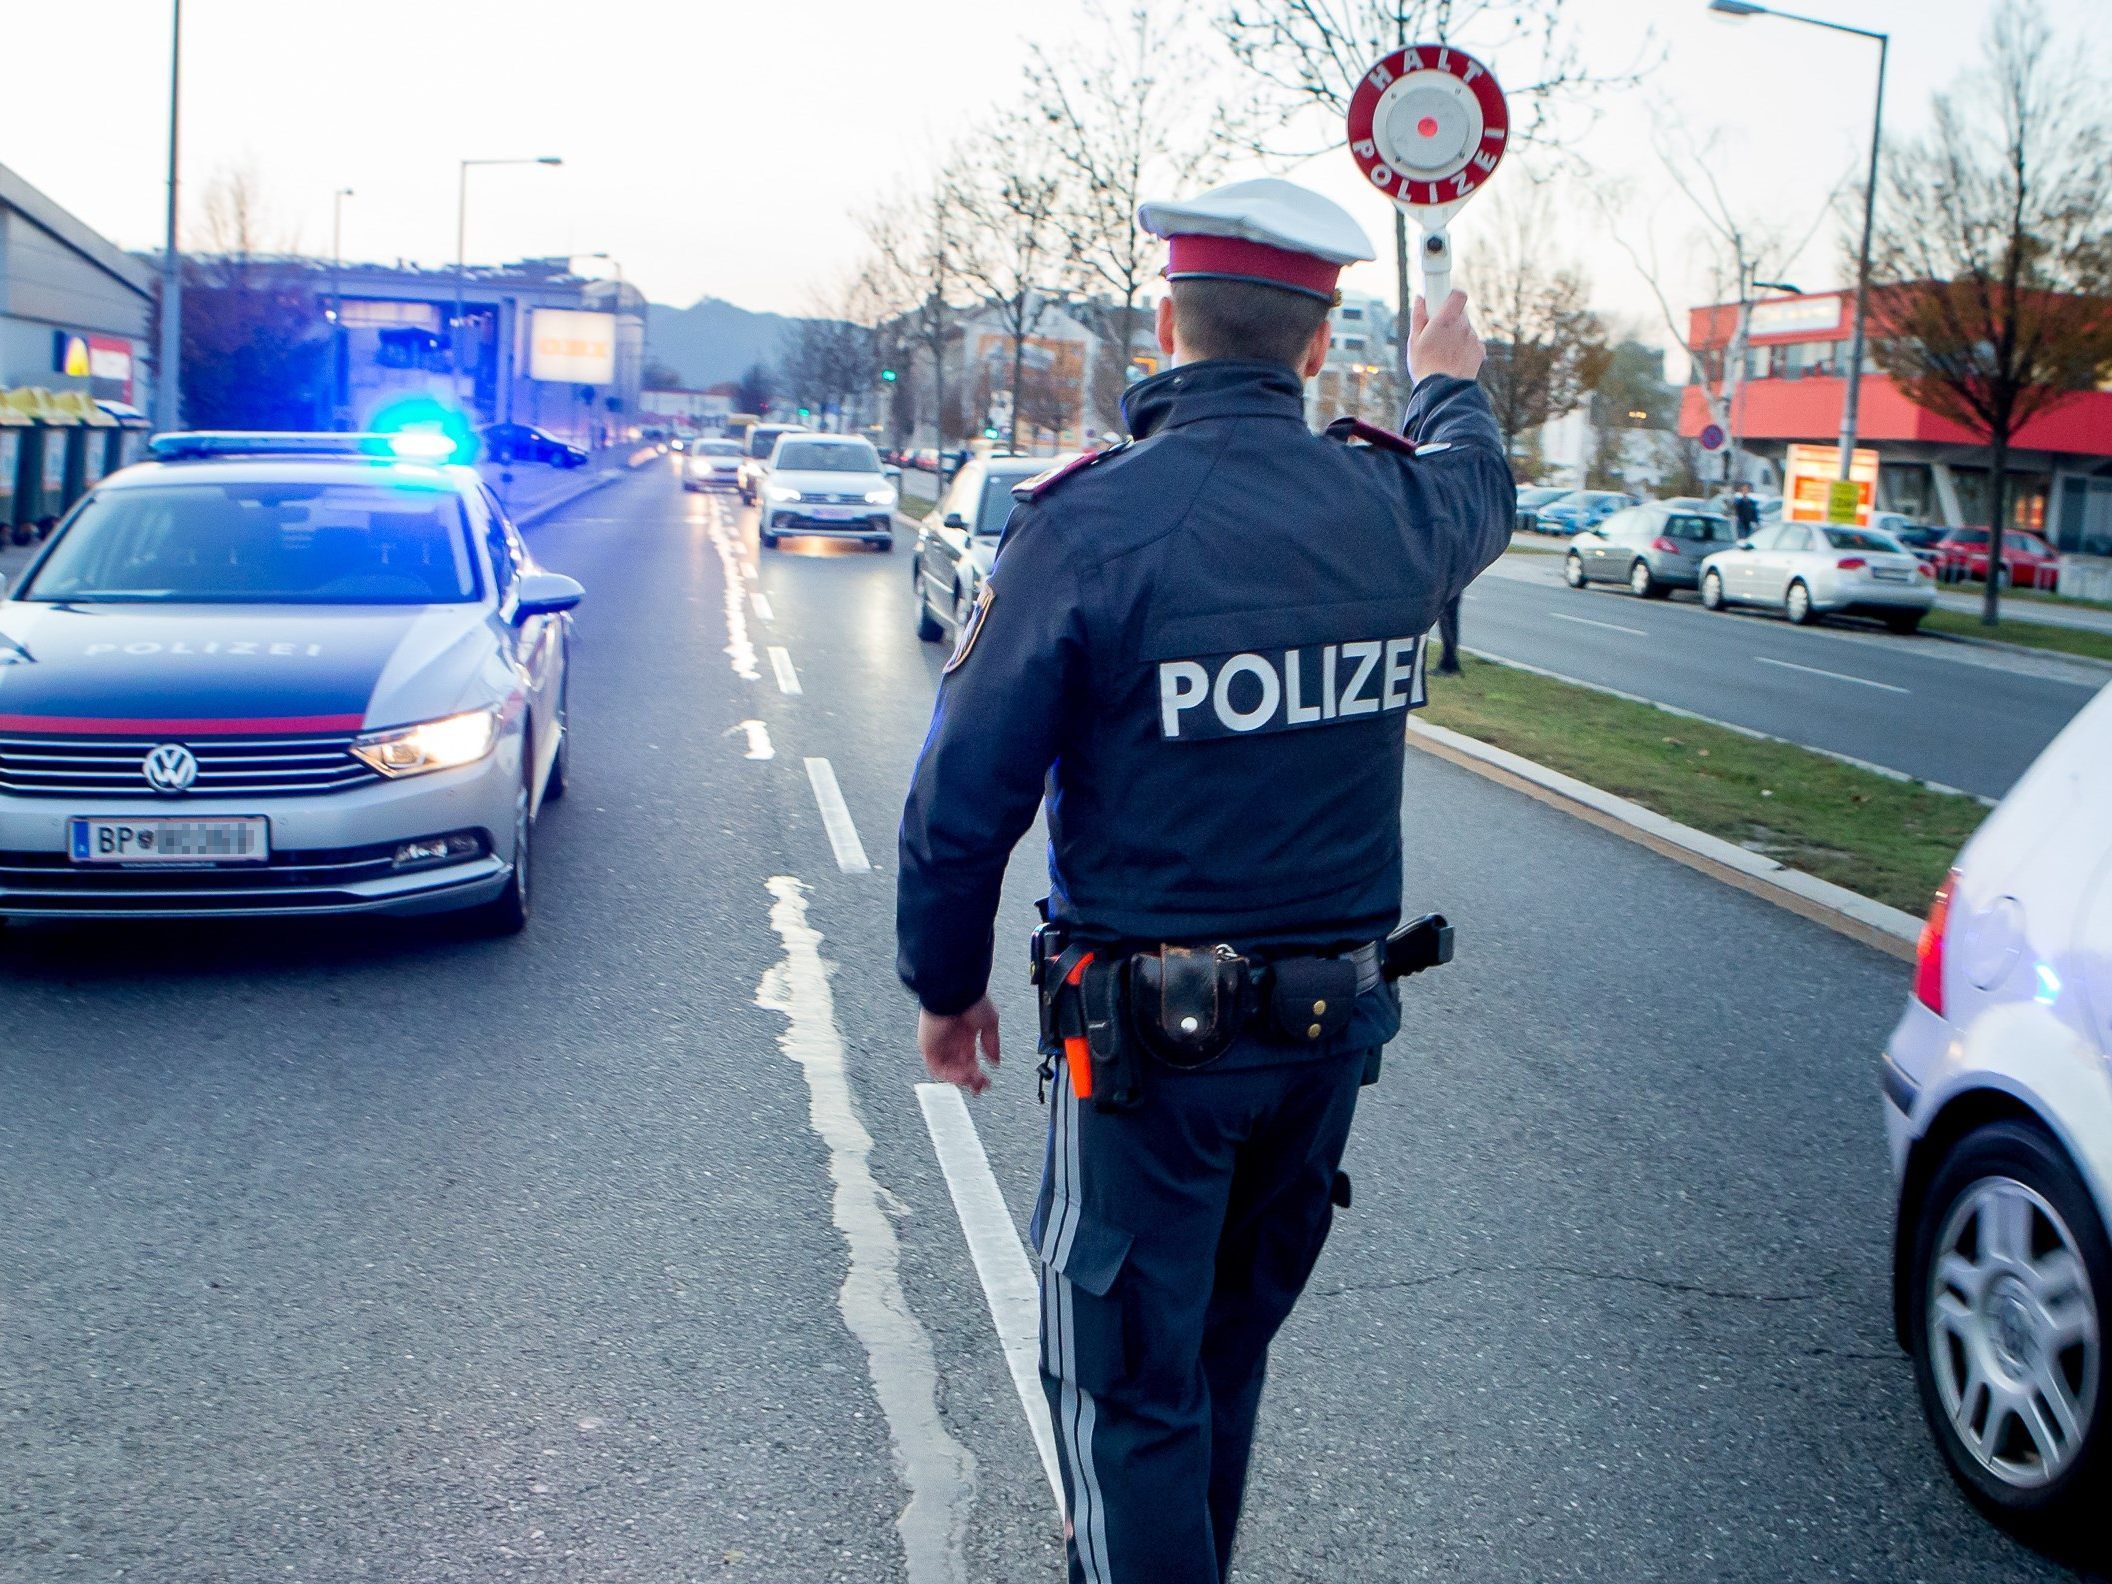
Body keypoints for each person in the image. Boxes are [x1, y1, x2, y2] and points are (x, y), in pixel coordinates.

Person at [896, 176, 1514, 1584]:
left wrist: (946, 985)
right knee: (1220, 1366)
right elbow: (1481, 485)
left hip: (1151, 1069)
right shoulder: (1392, 510)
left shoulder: (1089, 525)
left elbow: (963, 791)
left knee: (1130, 1396)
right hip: (1324, 1049)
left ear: (1167, 324)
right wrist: (1446, 378)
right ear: (1318, 343)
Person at [1435, 590, 1464, 675]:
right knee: (1448, 619)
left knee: (1447, 619)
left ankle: (1449, 664)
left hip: (1449, 587)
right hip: (1453, 586)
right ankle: (1449, 661)